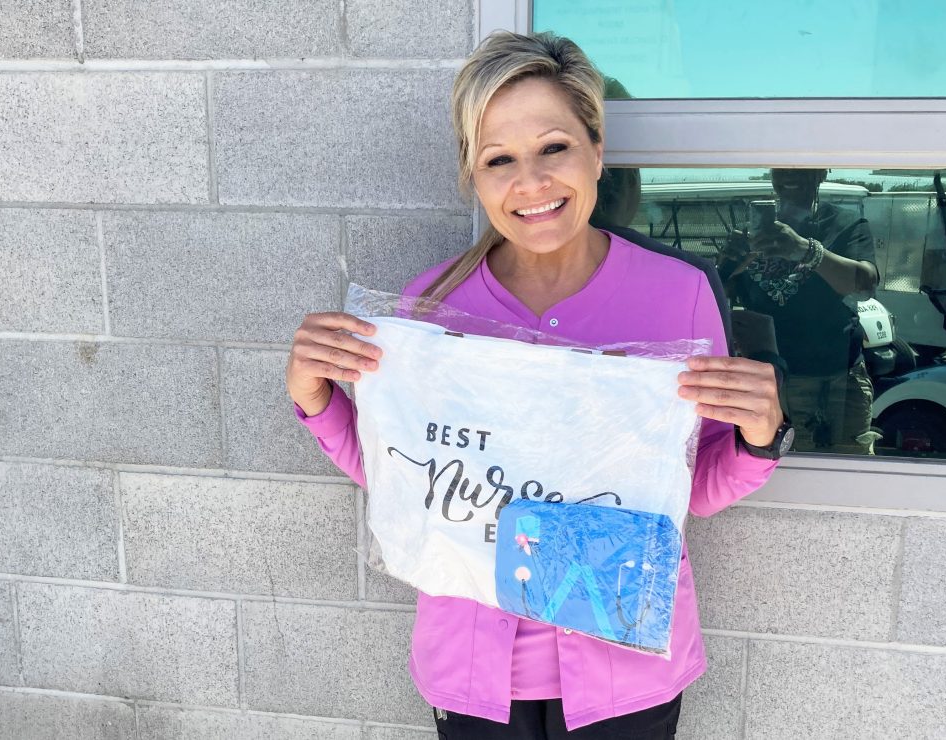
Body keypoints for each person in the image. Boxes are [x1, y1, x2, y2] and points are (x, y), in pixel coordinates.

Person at [286, 31, 786, 739]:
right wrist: (316, 401)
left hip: (623, 676)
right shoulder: (430, 307)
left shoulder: (678, 297)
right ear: (475, 175)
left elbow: (689, 492)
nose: (531, 182)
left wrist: (758, 438)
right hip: (473, 676)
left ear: (596, 150)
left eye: (554, 147)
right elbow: (417, 486)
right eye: (499, 159)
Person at [718, 168, 881, 455]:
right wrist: (729, 265)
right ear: (770, 175)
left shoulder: (843, 223)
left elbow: (865, 284)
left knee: (850, 472)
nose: (789, 173)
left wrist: (806, 250)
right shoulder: (751, 232)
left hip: (840, 380)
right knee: (781, 470)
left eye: (802, 166)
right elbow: (719, 299)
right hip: (775, 382)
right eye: (780, 167)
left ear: (821, 172)